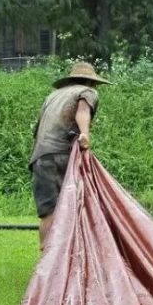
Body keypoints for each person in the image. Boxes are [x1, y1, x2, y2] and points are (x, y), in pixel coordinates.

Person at [29, 61, 111, 250]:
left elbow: (38, 128)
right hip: (64, 154)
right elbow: (82, 110)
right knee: (75, 207)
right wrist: (85, 134)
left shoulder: (52, 96)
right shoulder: (87, 92)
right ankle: (70, 260)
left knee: (48, 212)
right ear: (91, 82)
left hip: (41, 156)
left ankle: (47, 262)